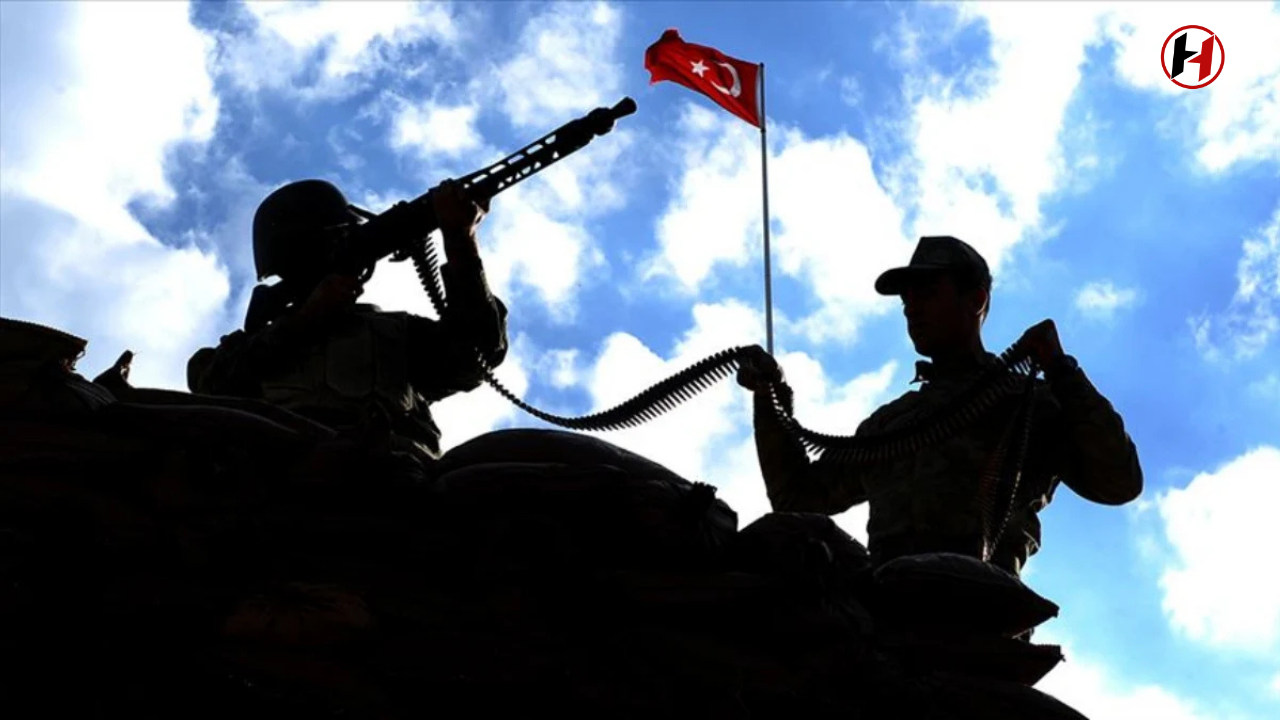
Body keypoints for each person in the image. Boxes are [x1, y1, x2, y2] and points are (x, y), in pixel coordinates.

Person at [737, 235, 1143, 577]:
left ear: (977, 300)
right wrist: (770, 399)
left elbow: (1118, 481)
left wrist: (1060, 370)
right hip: (885, 611)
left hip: (978, 615)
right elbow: (798, 498)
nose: (912, 308)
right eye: (905, 301)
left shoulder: (1027, 401)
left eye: (928, 294)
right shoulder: (891, 423)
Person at [187, 178, 508, 466]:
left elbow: (475, 357)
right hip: (286, 480)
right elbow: (211, 392)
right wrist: (308, 318)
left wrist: (459, 241)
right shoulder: (243, 351)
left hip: (399, 477)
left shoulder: (397, 333)